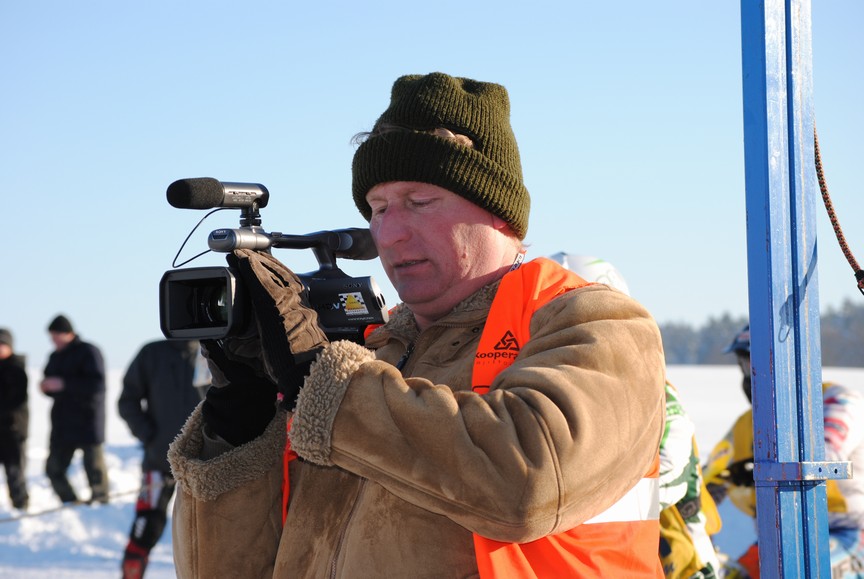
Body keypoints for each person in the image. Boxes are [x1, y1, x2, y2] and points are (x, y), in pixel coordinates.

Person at [168, 72, 668, 577]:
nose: (390, 233)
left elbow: (530, 483)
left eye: (421, 203)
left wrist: (321, 378)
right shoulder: (369, 356)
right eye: (378, 208)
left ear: (498, 213)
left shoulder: (599, 324)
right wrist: (242, 418)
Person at [550, 253, 722, 578]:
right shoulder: (554, 390)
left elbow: (669, 472)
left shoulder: (653, 387)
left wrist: (565, 507)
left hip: (682, 564)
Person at [704, 324, 864, 578]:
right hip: (777, 539)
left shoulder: (836, 400)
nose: (749, 375)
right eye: (744, 365)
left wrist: (763, 469)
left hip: (846, 533)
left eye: (754, 363)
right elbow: (709, 476)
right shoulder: (746, 424)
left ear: (785, 362)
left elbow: (825, 457)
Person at [118, 339, 209, 578]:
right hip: (158, 461)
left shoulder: (213, 350)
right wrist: (149, 436)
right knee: (147, 525)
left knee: (207, 530)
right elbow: (127, 401)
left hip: (204, 462)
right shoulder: (151, 353)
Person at [40, 314, 109, 504]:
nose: (53, 341)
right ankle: (72, 504)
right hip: (63, 422)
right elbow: (50, 381)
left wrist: (63, 384)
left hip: (88, 420)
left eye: (55, 336)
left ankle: (101, 505)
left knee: (94, 469)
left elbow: (97, 385)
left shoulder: (89, 351)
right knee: (54, 469)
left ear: (67, 333)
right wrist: (47, 387)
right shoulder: (55, 356)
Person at [0, 328, 29, 511]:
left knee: (14, 471)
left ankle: (21, 507)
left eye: (2, 345)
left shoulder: (17, 369)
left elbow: (17, 401)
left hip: (12, 430)